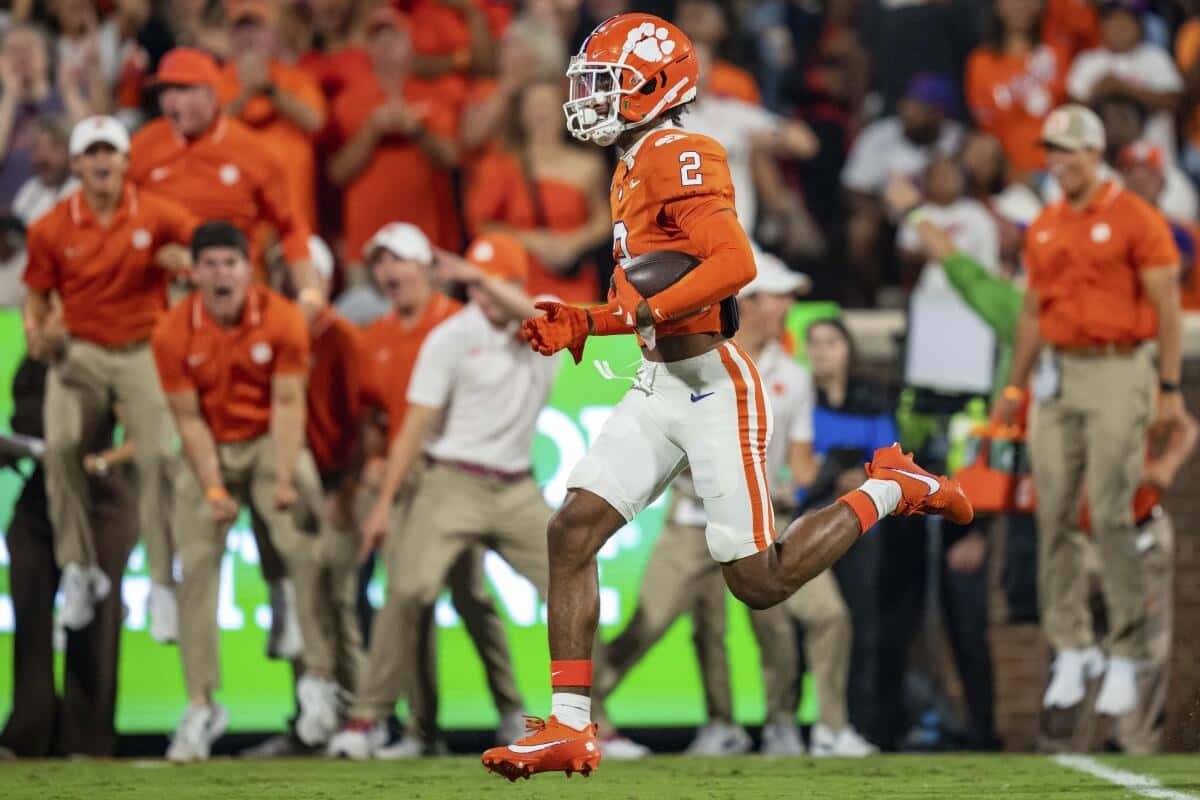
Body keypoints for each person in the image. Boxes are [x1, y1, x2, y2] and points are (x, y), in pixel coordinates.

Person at [483, 14, 972, 780]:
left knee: (760, 582)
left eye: (607, 84)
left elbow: (733, 261)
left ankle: (889, 487)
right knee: (571, 530)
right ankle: (569, 728)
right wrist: (594, 320)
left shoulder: (678, 149)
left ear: (656, 86)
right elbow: (653, 290)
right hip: (660, 380)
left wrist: (623, 315)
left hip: (713, 386)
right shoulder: (634, 158)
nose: (592, 99)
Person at [912, 214, 1197, 754]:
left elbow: (1183, 426)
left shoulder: (1134, 366)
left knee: (1141, 655)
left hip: (1134, 533)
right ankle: (1063, 756)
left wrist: (1161, 471)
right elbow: (1008, 461)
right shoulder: (1043, 389)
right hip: (1072, 536)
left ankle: (1134, 753)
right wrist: (979, 530)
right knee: (1068, 649)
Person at [992, 103, 1183, 718]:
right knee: (1053, 514)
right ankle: (1073, 645)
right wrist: (1015, 388)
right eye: (1050, 149)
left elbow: (1168, 308)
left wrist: (1171, 388)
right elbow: (1030, 314)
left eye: (1068, 149)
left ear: (1095, 153)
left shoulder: (1137, 220)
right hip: (1059, 374)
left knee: (1108, 509)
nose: (1057, 160)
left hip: (1120, 366)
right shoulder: (1044, 224)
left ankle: (1125, 651)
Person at [334, 234, 557, 758]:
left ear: (516, 284)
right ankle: (368, 719)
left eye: (489, 284)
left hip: (517, 486)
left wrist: (482, 280)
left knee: (572, 590)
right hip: (451, 482)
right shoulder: (452, 336)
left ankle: (593, 722)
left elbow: (549, 325)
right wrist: (385, 504)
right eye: (472, 287)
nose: (479, 298)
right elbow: (416, 424)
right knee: (408, 590)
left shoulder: (545, 318)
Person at [149, 221, 336, 762]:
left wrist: (280, 479)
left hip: (266, 440)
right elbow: (188, 421)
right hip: (210, 444)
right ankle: (202, 704)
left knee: (303, 546)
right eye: (210, 264)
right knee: (197, 568)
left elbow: (287, 405)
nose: (221, 273)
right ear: (195, 272)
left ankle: (318, 683)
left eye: (231, 262)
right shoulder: (171, 331)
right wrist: (211, 487)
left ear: (247, 267)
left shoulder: (281, 319)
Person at [21, 115, 196, 640]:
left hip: (143, 347)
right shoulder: (50, 226)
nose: (101, 162)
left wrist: (184, 261)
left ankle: (163, 583)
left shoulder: (160, 214)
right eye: (91, 153)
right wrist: (37, 331)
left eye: (110, 152)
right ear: (76, 164)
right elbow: (36, 293)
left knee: (159, 455)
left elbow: (211, 253)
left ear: (126, 161)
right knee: (60, 447)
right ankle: (79, 569)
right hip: (80, 350)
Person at [0, 356, 138, 758]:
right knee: (30, 620)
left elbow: (139, 435)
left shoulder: (102, 364)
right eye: (29, 317)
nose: (33, 326)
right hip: (40, 503)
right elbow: (23, 429)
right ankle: (28, 731)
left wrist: (100, 461)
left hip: (100, 505)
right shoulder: (28, 369)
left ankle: (87, 739)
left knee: (96, 623)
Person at [128, 47, 320, 308]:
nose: (170, 102)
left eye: (182, 90)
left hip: (234, 291)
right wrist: (151, 249)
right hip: (160, 292)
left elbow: (291, 226)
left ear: (211, 93)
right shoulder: (143, 145)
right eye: (165, 91)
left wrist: (310, 295)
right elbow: (115, 217)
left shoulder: (253, 151)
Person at [328, 6, 460, 285]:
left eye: (394, 38)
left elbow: (450, 159)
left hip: (426, 243)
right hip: (366, 245)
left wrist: (416, 130)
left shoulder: (434, 95)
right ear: (369, 48)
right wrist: (373, 131)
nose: (387, 47)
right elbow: (337, 173)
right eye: (378, 39)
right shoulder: (349, 100)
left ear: (410, 44)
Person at [465, 78, 610, 302]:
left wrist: (572, 243)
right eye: (534, 107)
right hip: (518, 282)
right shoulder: (504, 164)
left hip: (573, 280)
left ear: (564, 112)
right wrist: (533, 241)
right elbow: (480, 224)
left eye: (549, 106)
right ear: (522, 115)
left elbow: (604, 219)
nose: (541, 114)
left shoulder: (588, 165)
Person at [841, 72, 963, 306]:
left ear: (938, 113)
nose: (909, 114)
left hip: (939, 215)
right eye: (908, 106)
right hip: (889, 218)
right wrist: (886, 208)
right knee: (861, 230)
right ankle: (867, 302)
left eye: (919, 109)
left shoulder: (957, 139)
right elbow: (852, 188)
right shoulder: (880, 136)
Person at [217, 0, 326, 232]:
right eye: (241, 29)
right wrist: (245, 94)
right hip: (240, 210)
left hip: (292, 209)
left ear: (272, 35)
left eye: (256, 28)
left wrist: (268, 89)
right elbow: (208, 126)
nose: (248, 37)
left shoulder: (295, 77)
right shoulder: (218, 79)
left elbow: (315, 120)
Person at [1066, 0, 1182, 163]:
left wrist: (1126, 89)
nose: (1119, 28)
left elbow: (1175, 101)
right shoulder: (1087, 61)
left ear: (1140, 26)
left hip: (1154, 165)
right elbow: (1072, 113)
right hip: (1102, 166)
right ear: (1101, 26)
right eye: (1113, 21)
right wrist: (1099, 93)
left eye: (1125, 21)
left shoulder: (1156, 58)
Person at [966, 0, 1071, 177]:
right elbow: (985, 127)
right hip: (1006, 177)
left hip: (1058, 170)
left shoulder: (1057, 53)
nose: (1020, 4)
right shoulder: (980, 61)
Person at [12, 114, 77, 225]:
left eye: (53, 147)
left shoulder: (81, 192)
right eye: (36, 148)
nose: (42, 156)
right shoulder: (30, 188)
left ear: (70, 151)